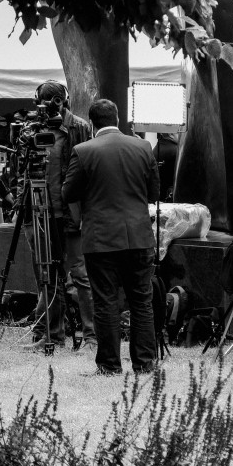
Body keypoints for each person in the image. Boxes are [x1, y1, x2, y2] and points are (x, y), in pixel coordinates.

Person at [63, 98, 159, 375]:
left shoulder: (83, 150)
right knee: (142, 301)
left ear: (92, 123)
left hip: (101, 238)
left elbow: (68, 193)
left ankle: (109, 365)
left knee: (105, 302)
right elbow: (154, 193)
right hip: (139, 236)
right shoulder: (143, 147)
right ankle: (145, 363)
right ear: (117, 118)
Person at [20, 81, 96, 352]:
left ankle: (91, 336)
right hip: (40, 212)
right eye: (45, 102)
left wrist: (87, 212)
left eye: (57, 101)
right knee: (48, 276)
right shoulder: (33, 129)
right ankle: (53, 334)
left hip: (71, 213)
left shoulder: (79, 127)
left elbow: (88, 171)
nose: (53, 108)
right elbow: (23, 171)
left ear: (64, 101)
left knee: (80, 275)